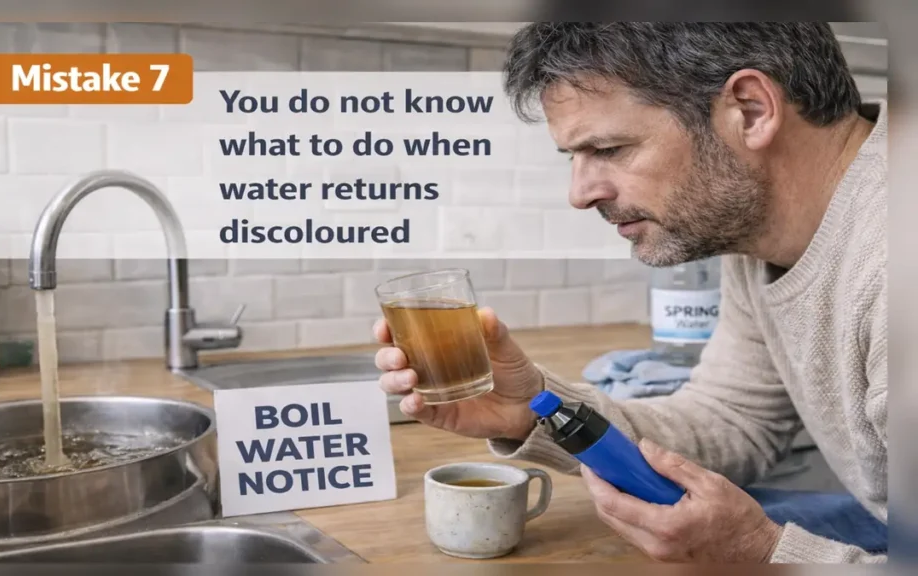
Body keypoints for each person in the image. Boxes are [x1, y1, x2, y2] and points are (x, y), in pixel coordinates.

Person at [373, 23, 886, 564]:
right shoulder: (762, 231)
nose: (580, 193)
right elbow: (733, 421)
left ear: (752, 109)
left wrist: (761, 554)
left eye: (609, 148)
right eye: (574, 156)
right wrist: (533, 411)